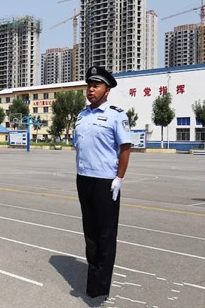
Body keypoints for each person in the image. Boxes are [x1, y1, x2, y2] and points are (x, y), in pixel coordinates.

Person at [73, 66, 131, 299]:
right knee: (90, 232)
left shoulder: (117, 115)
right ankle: (92, 282)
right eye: (89, 85)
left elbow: (125, 148)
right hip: (84, 179)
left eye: (96, 86)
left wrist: (119, 178)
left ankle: (100, 287)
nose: (90, 90)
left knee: (105, 235)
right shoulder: (82, 116)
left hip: (106, 182)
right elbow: (79, 146)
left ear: (107, 90)